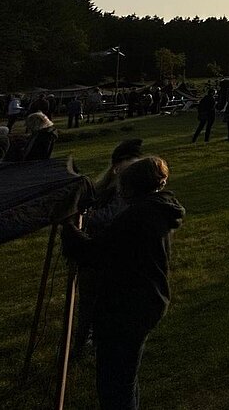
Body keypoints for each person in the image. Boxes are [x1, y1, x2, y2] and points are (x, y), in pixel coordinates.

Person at [62, 156, 184, 410]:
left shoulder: (136, 218)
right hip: (145, 302)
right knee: (126, 377)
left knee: (114, 383)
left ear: (132, 188)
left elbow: (97, 253)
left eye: (122, 186)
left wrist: (69, 227)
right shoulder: (156, 209)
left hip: (127, 309)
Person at [75, 139, 145, 351]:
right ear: (116, 168)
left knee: (96, 300)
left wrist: (83, 217)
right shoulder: (110, 188)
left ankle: (87, 339)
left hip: (106, 253)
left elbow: (108, 217)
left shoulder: (123, 191)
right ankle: (85, 340)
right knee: (91, 300)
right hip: (97, 251)